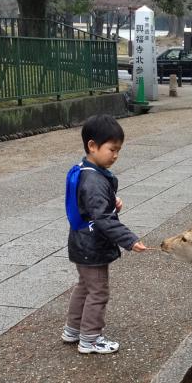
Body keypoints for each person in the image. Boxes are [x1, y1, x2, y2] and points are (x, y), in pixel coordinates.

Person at [62, 115, 147, 355]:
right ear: (92, 146)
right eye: (112, 149)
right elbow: (103, 218)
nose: (116, 155)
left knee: (84, 286)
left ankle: (73, 329)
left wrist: (111, 201)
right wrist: (130, 240)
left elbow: (90, 205)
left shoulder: (84, 170)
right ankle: (90, 339)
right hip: (92, 245)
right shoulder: (95, 179)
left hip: (80, 242)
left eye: (119, 150)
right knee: (98, 291)